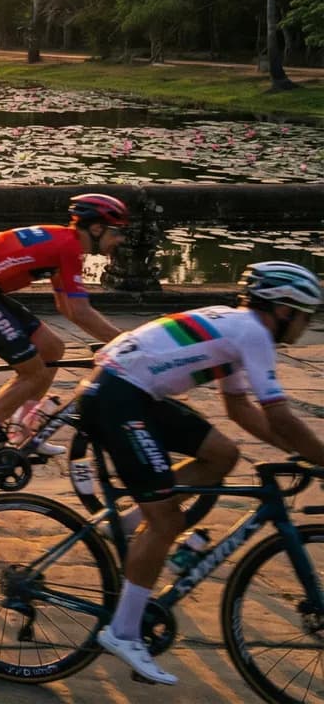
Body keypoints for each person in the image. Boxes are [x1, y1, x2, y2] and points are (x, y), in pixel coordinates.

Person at [78, 261, 324, 685]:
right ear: (284, 310)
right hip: (118, 397)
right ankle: (123, 632)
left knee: (222, 454)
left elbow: (239, 409)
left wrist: (295, 452)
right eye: (306, 315)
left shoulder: (241, 327)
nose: (307, 325)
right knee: (168, 520)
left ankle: (130, 521)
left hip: (130, 388)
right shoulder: (255, 334)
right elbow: (280, 415)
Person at [0, 193, 129, 485]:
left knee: (52, 348)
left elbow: (67, 308)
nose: (119, 240)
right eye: (117, 232)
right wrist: (126, 340)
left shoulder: (66, 245)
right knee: (32, 371)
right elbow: (81, 312)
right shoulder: (68, 247)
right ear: (96, 229)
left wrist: (114, 339)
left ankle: (21, 426)